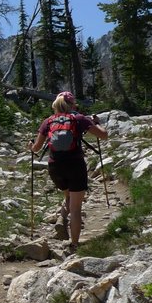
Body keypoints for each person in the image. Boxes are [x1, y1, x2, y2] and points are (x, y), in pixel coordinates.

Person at [29, 91, 108, 251]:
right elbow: (103, 136)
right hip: (75, 165)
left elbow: (36, 148)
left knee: (68, 196)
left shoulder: (48, 121)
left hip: (55, 166)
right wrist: (98, 123)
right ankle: (74, 244)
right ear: (72, 105)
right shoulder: (79, 119)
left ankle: (61, 218)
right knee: (76, 208)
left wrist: (29, 146)